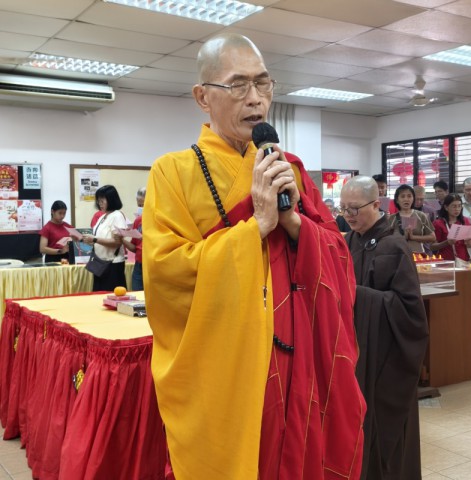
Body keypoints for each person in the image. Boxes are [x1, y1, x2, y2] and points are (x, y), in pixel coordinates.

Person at [143, 33, 365, 480]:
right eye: (238, 84)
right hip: (228, 366)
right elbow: (167, 273)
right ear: (203, 97)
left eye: (263, 84)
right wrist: (255, 228)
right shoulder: (173, 172)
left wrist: (294, 223)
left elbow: (338, 258)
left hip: (298, 356)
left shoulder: (290, 168)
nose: (255, 98)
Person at [340, 176, 429, 480]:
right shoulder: (348, 242)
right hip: (354, 354)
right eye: (343, 209)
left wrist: (359, 296)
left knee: (381, 434)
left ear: (376, 204)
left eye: (354, 209)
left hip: (384, 360)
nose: (348, 215)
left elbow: (411, 313)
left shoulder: (394, 246)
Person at [82, 185, 127, 291]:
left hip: (113, 264)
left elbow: (117, 242)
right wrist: (82, 239)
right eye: (98, 201)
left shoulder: (117, 215)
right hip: (100, 263)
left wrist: (94, 239)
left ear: (111, 200)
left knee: (111, 295)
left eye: (102, 201)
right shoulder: (102, 217)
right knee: (98, 295)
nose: (100, 204)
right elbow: (98, 241)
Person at [389, 184, 436, 253]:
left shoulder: (421, 216)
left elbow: (432, 237)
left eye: (409, 196)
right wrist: (404, 237)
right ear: (397, 200)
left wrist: (413, 237)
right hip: (398, 255)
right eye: (402, 196)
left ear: (413, 198)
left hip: (418, 255)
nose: (406, 199)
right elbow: (386, 240)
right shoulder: (392, 218)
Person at [431, 193, 471, 262]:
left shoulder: (465, 221)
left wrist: (470, 243)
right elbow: (432, 247)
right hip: (445, 261)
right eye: (454, 206)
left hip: (464, 260)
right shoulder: (438, 223)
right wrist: (446, 242)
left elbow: (469, 244)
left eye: (459, 206)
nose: (457, 209)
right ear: (446, 207)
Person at [119, 187, 145, 290]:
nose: (141, 208)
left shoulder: (160, 219)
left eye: (143, 205)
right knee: (137, 293)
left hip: (154, 264)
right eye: (139, 205)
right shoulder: (138, 221)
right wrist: (122, 240)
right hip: (139, 264)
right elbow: (134, 248)